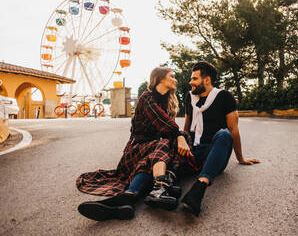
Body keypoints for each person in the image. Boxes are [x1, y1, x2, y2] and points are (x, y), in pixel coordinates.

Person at [76, 67, 196, 221]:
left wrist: (181, 137)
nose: (175, 79)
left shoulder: (168, 101)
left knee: (168, 146)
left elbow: (170, 132)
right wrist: (179, 136)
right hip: (137, 149)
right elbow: (164, 123)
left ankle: (129, 199)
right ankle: (161, 186)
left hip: (153, 153)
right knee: (167, 141)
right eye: (171, 76)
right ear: (159, 79)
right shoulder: (147, 98)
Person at [180, 61, 260, 216]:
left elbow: (233, 130)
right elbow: (186, 125)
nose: (191, 82)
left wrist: (240, 158)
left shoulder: (224, 97)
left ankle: (199, 189)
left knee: (224, 134)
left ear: (207, 80)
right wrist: (182, 142)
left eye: (195, 79)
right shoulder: (189, 97)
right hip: (193, 152)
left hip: (214, 154)